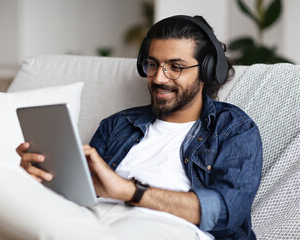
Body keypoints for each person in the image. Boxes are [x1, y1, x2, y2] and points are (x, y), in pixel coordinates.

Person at [17, 15, 262, 239]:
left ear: (206, 72)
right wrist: (41, 181)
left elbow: (227, 213)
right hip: (91, 220)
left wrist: (130, 191)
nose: (158, 78)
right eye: (152, 64)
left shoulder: (233, 128)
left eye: (175, 67)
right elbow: (78, 195)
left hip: (166, 228)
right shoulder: (117, 125)